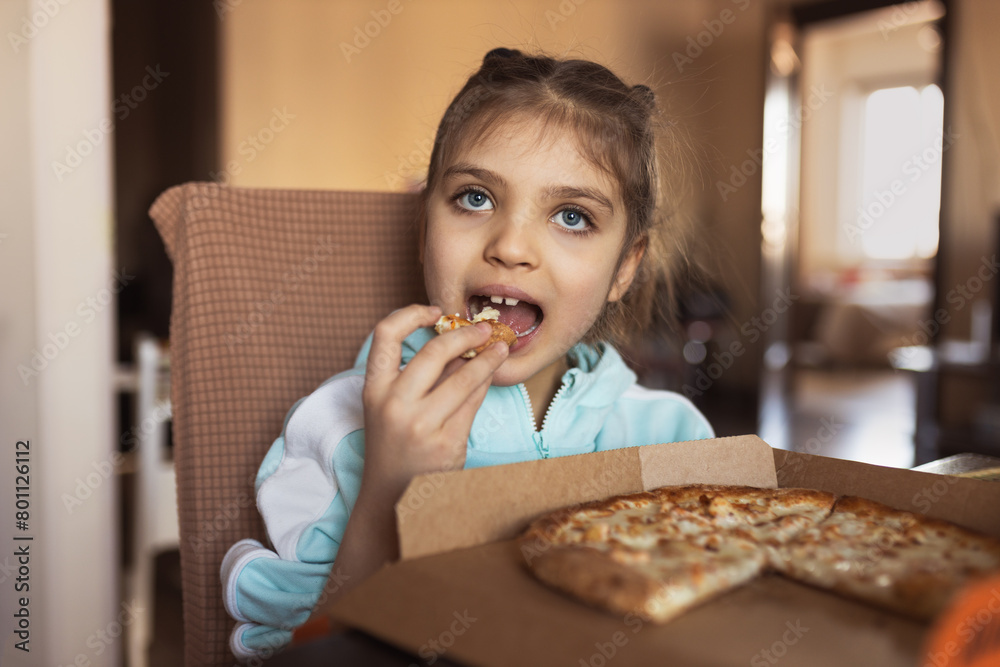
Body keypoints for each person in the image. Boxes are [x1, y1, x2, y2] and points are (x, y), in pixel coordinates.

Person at [221, 47, 714, 661]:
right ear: (425, 229)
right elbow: (298, 652)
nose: (510, 246)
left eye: (571, 216)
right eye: (475, 198)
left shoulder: (672, 441)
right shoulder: (340, 429)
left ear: (624, 268)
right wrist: (388, 489)